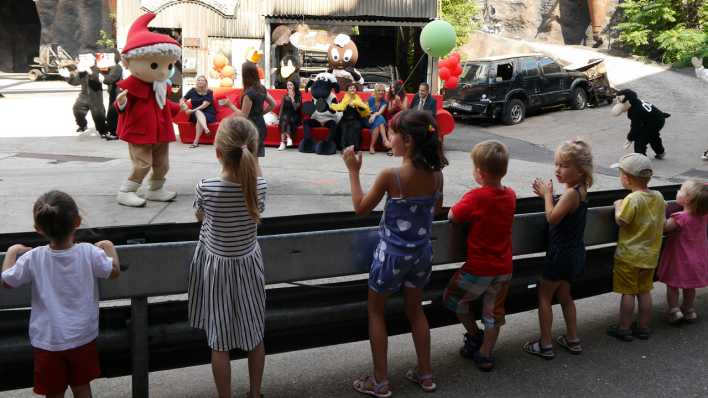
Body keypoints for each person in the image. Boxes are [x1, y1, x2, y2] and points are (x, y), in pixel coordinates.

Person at [343, 110, 447, 397]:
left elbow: (360, 207)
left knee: (376, 312)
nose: (389, 138)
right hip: (421, 255)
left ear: (409, 141)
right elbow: (436, 210)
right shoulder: (437, 175)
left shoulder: (392, 175)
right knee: (415, 311)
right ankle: (426, 374)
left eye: (392, 134)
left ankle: (380, 381)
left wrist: (353, 171)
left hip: (391, 257)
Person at [1, 190, 120, 398]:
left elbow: (7, 281)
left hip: (48, 341)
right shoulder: (89, 252)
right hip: (82, 337)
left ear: (38, 229)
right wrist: (109, 247)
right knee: (82, 388)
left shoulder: (33, 257)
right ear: (77, 221)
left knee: (54, 392)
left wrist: (11, 252)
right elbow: (113, 271)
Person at [188, 116, 267, 398]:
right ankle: (255, 394)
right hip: (249, 267)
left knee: (219, 343)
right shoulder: (260, 187)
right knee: (254, 336)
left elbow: (200, 216)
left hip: (217, 270)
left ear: (218, 153)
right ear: (254, 152)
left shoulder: (206, 187)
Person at [442, 140, 516, 372]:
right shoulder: (510, 195)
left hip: (478, 269)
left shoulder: (476, 197)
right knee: (492, 313)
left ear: (480, 173)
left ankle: (474, 335)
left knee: (453, 298)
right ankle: (485, 354)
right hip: (503, 268)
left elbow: (454, 215)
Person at [523, 140, 594, 359]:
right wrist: (552, 197)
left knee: (544, 296)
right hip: (574, 254)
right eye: (557, 164)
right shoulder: (581, 190)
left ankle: (545, 344)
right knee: (565, 295)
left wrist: (546, 196)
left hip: (560, 254)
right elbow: (564, 211)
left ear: (580, 170)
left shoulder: (571, 194)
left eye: (563, 165)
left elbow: (553, 218)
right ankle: (572, 338)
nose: (557, 169)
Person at [607, 153, 666, 341]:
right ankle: (643, 326)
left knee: (628, 292)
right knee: (644, 291)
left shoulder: (632, 199)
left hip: (629, 256)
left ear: (626, 178)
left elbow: (622, 221)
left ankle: (624, 328)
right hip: (650, 256)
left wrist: (618, 206)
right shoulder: (658, 196)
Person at [656, 179, 708, 324]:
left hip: (679, 258)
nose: (678, 191)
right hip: (697, 259)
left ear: (688, 199)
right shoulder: (704, 216)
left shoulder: (680, 217)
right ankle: (689, 310)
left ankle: (674, 310)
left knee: (673, 285)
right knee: (689, 287)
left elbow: (664, 227)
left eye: (681, 190)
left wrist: (661, 211)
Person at [223, 61, 276, 157]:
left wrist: (230, 105)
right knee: (254, 159)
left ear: (246, 75)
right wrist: (260, 113)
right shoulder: (262, 88)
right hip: (260, 125)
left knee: (247, 159)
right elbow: (273, 104)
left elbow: (244, 115)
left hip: (250, 128)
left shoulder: (249, 93)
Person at [64, 64, 109, 138]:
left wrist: (89, 71)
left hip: (95, 95)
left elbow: (99, 80)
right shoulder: (82, 70)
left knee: (98, 115)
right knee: (77, 109)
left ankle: (103, 131)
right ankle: (82, 125)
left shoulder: (98, 68)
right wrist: (67, 76)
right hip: (84, 95)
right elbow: (76, 82)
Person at [330, 82, 370, 152]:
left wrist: (357, 104)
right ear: (347, 90)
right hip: (345, 119)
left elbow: (363, 110)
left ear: (356, 90)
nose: (352, 89)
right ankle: (344, 148)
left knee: (356, 127)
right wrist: (333, 106)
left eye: (354, 88)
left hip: (356, 118)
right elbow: (339, 108)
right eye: (350, 88)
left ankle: (355, 148)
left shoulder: (358, 99)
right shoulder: (344, 98)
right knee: (344, 128)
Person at [180, 75, 217, 148]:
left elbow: (205, 105)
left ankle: (196, 142)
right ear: (196, 82)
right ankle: (206, 129)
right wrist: (185, 107)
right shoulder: (192, 90)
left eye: (202, 80)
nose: (200, 81)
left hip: (208, 113)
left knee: (198, 114)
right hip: (195, 114)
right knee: (198, 114)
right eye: (198, 80)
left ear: (205, 82)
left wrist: (192, 111)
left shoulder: (209, 92)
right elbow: (182, 99)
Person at [101, 53, 122, 141]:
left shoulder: (117, 67)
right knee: (112, 113)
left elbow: (110, 79)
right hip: (114, 93)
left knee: (113, 114)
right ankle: (113, 131)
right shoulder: (112, 67)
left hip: (118, 93)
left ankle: (114, 133)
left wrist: (102, 78)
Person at [277, 80, 301, 151]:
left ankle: (283, 143)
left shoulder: (298, 95)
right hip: (285, 115)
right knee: (283, 120)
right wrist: (279, 116)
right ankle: (288, 139)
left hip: (294, 115)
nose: (289, 86)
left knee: (285, 120)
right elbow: (282, 108)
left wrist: (292, 98)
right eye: (288, 85)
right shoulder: (284, 96)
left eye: (291, 85)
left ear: (294, 86)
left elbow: (296, 108)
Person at [367, 83, 390, 154]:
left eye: (383, 91)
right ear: (376, 91)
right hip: (367, 119)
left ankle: (372, 147)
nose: (381, 92)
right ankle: (385, 140)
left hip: (376, 120)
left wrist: (374, 115)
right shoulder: (371, 99)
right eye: (379, 90)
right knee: (380, 118)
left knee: (378, 120)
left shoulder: (385, 102)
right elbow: (367, 111)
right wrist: (372, 115)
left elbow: (380, 112)